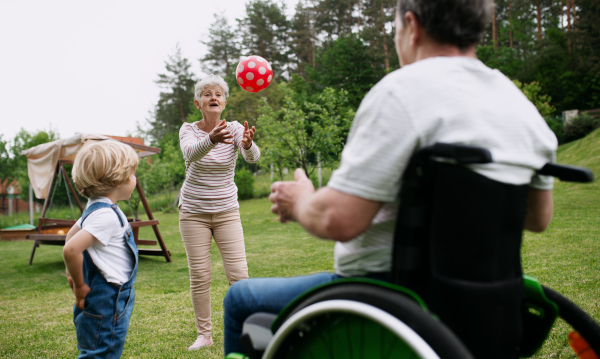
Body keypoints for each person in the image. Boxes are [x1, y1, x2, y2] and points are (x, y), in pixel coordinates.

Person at [223, 0, 558, 355]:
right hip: (486, 302)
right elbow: (537, 218)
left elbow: (339, 219)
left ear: (411, 26)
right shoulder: (520, 106)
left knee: (240, 298)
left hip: (389, 295)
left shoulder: (402, 93)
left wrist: (300, 199)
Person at [179, 74, 260, 351]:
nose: (213, 97)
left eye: (218, 94)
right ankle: (204, 334)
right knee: (200, 275)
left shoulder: (235, 128)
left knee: (238, 274)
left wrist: (248, 145)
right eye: (207, 94)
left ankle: (249, 328)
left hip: (226, 211)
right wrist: (212, 139)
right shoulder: (188, 130)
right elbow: (191, 154)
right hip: (193, 212)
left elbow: (253, 157)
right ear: (198, 102)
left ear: (224, 102)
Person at [63, 140, 139, 359]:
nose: (135, 179)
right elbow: (71, 249)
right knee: (101, 352)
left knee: (96, 348)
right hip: (108, 297)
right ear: (118, 179)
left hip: (105, 294)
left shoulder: (95, 208)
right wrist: (79, 285)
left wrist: (71, 274)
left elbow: (70, 236)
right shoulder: (105, 216)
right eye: (133, 174)